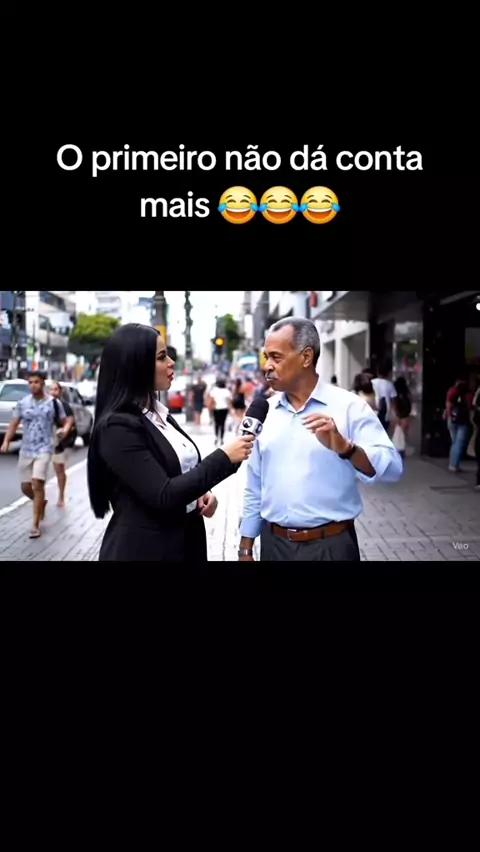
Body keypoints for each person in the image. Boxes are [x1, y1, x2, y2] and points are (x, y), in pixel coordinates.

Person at [238, 318, 403, 563]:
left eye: (276, 357)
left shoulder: (350, 407)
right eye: (266, 357)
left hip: (331, 547)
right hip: (274, 546)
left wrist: (346, 449)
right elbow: (254, 485)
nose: (267, 366)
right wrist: (245, 547)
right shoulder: (264, 412)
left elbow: (392, 469)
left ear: (306, 357)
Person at [87, 324, 253, 562]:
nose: (171, 363)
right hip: (144, 549)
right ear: (136, 365)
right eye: (161, 357)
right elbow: (163, 494)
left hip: (186, 543)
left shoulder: (159, 415)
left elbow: (173, 474)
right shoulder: (117, 427)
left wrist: (199, 495)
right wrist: (223, 458)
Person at [0, 371, 71, 538]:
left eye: (36, 382)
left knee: (37, 483)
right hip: (26, 449)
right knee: (26, 487)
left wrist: (65, 430)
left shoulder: (53, 403)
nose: (33, 385)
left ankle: (35, 524)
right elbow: (14, 424)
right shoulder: (23, 403)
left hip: (44, 449)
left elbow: (66, 420)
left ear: (43, 384)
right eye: (30, 382)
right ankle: (41, 503)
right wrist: (6, 441)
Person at [50, 381, 77, 507]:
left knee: (59, 469)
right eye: (51, 389)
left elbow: (69, 421)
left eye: (56, 389)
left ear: (60, 392)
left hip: (58, 443)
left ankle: (61, 496)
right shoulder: (45, 404)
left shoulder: (64, 406)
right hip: (44, 443)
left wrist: (63, 433)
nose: (53, 392)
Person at [444, 376, 473, 473]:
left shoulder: (452, 391)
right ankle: (454, 464)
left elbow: (448, 404)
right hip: (463, 421)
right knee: (459, 444)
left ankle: (452, 463)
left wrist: (449, 417)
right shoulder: (468, 394)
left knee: (455, 443)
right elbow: (470, 407)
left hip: (452, 420)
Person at [372, 364, 397, 433]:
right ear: (388, 373)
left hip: (373, 411)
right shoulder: (390, 384)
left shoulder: (372, 382)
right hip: (386, 414)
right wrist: (395, 415)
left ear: (378, 372)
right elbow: (394, 400)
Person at [207, 377, 232, 445]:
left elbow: (211, 400)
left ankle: (216, 437)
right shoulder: (226, 391)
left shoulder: (214, 391)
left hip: (216, 409)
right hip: (224, 409)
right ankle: (221, 438)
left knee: (216, 424)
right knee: (223, 424)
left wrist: (209, 408)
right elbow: (229, 401)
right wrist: (230, 410)